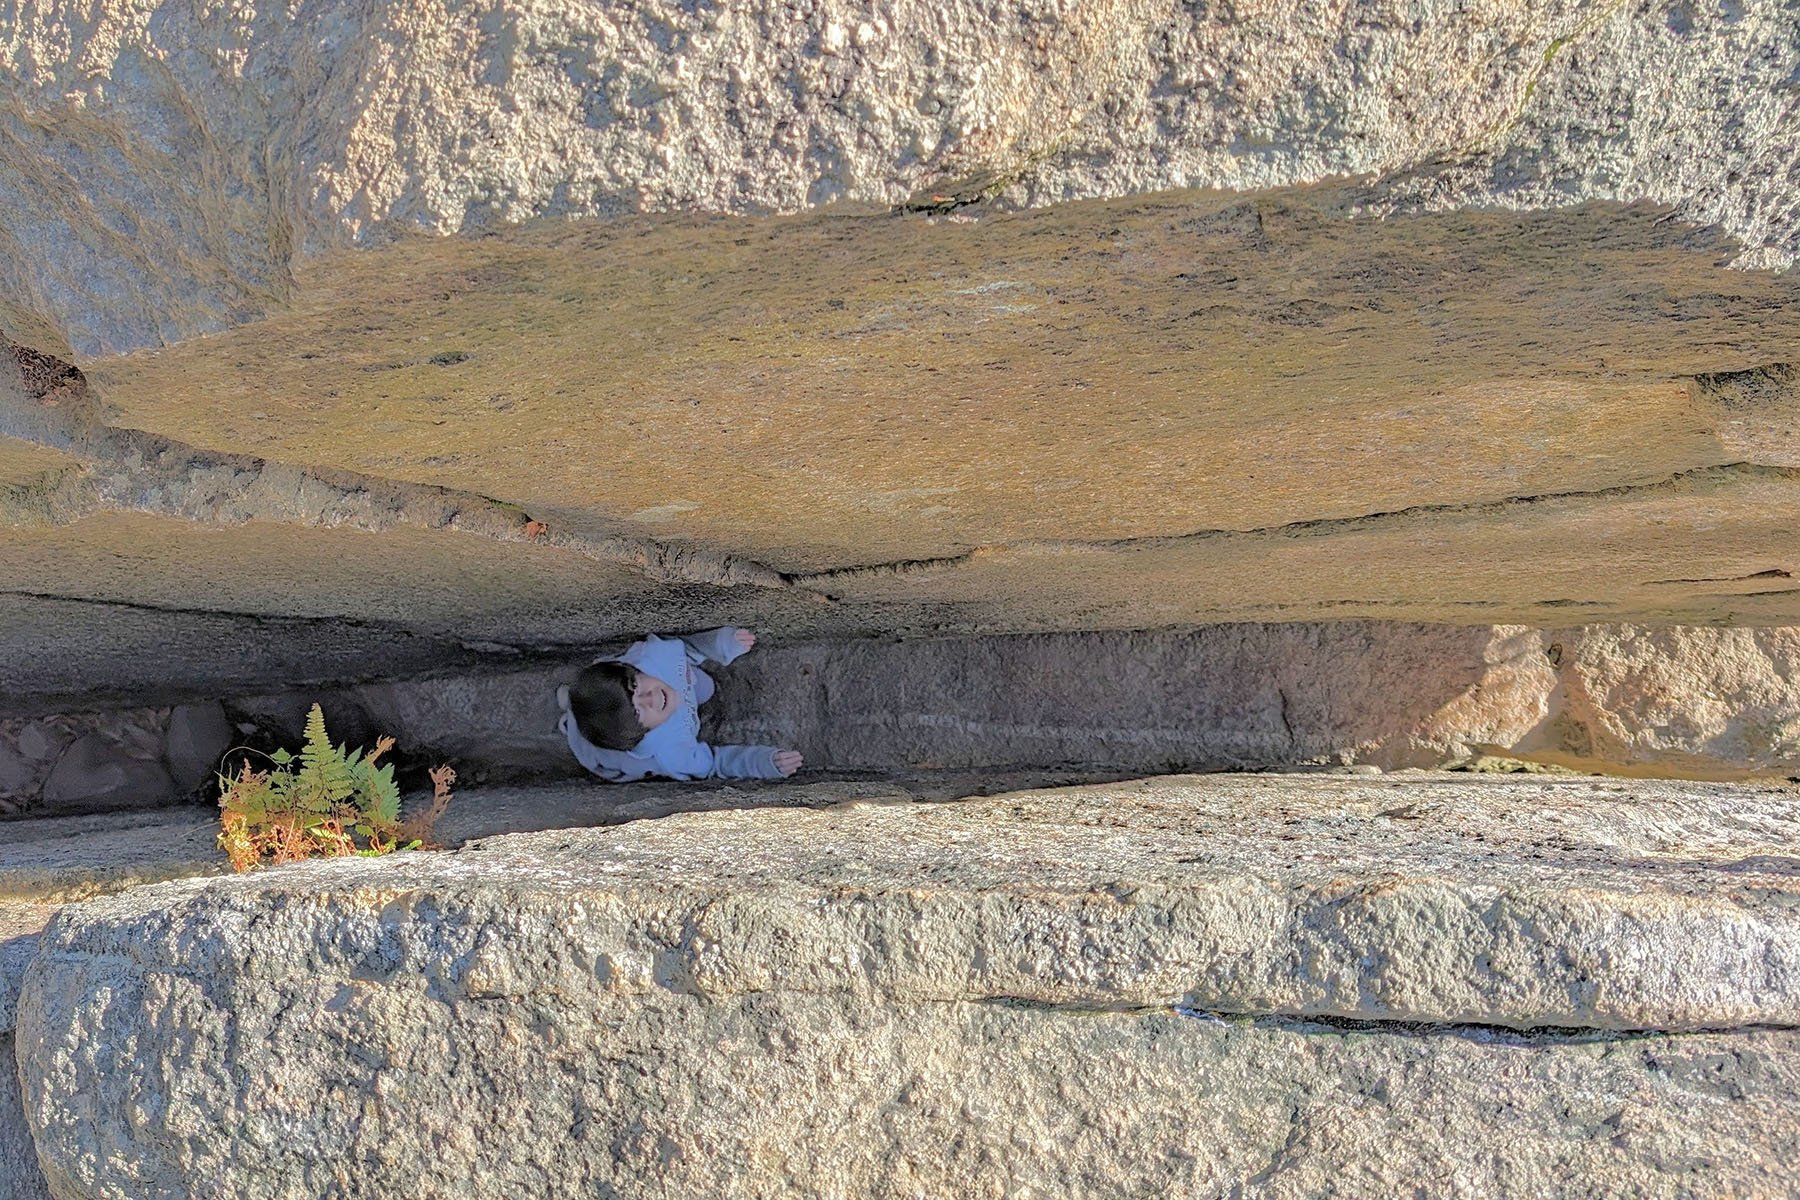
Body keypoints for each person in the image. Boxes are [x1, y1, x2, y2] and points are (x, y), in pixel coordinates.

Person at [556, 626, 803, 782]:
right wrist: (764, 763)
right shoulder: (670, 755)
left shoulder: (655, 656)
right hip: (601, 753)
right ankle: (570, 721)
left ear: (631, 670)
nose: (651, 698)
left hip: (620, 691)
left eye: (635, 686)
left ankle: (574, 697)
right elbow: (715, 764)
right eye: (639, 712)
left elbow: (688, 648)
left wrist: (722, 643)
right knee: (589, 739)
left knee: (705, 687)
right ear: (641, 735)